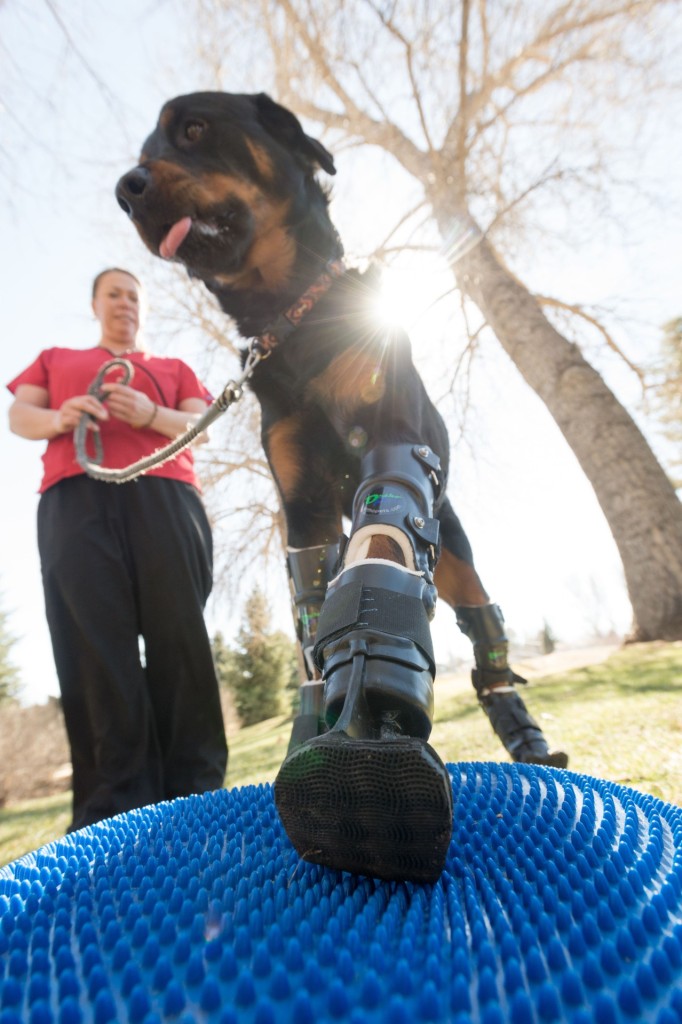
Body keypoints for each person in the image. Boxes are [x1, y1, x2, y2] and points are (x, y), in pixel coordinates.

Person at [7, 267, 227, 832]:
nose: (125, 302)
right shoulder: (56, 360)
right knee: (95, 650)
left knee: (179, 637)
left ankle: (197, 797)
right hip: (75, 500)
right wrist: (61, 416)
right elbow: (18, 415)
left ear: (142, 308)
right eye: (114, 293)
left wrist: (150, 415)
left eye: (134, 295)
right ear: (95, 303)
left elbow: (201, 426)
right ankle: (114, 811)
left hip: (165, 494)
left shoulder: (172, 369)